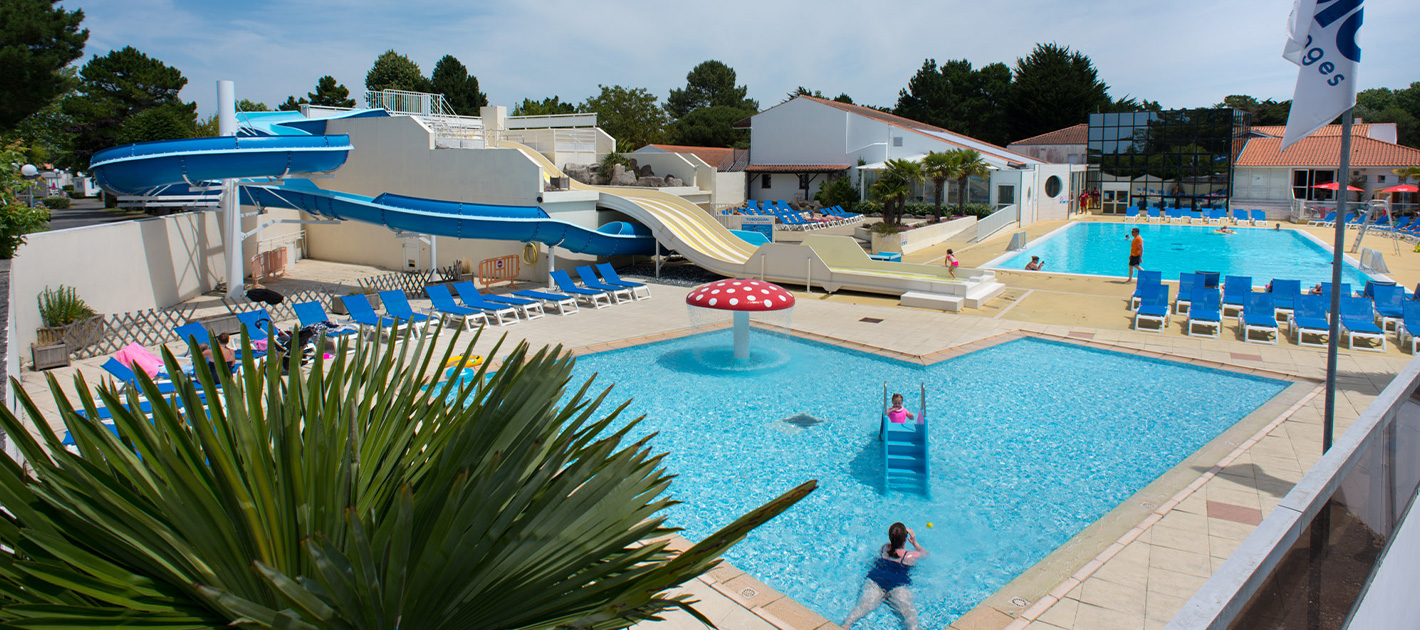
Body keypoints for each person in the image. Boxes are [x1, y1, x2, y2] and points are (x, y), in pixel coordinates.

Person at [843, 522, 927, 630]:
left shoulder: (884, 548)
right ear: (906, 539)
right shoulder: (909, 555)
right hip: (897, 585)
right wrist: (914, 542)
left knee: (862, 607)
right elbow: (926, 555)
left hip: (876, 580)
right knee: (910, 614)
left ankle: (847, 624)